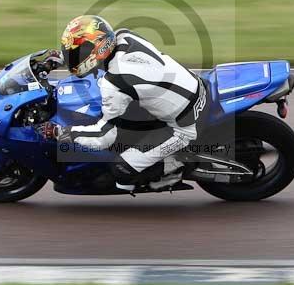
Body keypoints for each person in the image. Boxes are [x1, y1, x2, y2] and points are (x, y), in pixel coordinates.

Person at [40, 15, 208, 191]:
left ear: (98, 47)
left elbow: (103, 136)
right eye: (71, 53)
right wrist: (59, 58)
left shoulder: (115, 81)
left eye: (76, 53)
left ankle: (177, 166)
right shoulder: (123, 36)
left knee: (121, 170)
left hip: (183, 126)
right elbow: (91, 53)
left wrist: (62, 132)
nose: (74, 57)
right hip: (190, 87)